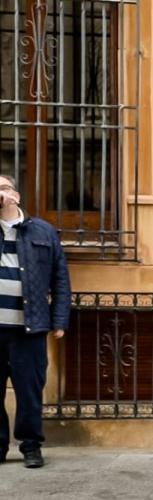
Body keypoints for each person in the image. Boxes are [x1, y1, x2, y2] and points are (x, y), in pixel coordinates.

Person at [0, 174, 70, 469]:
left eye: (3, 188)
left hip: (29, 328)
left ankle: (31, 446)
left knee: (30, 392)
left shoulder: (42, 230)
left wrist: (60, 319)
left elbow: (60, 277)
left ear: (16, 194)